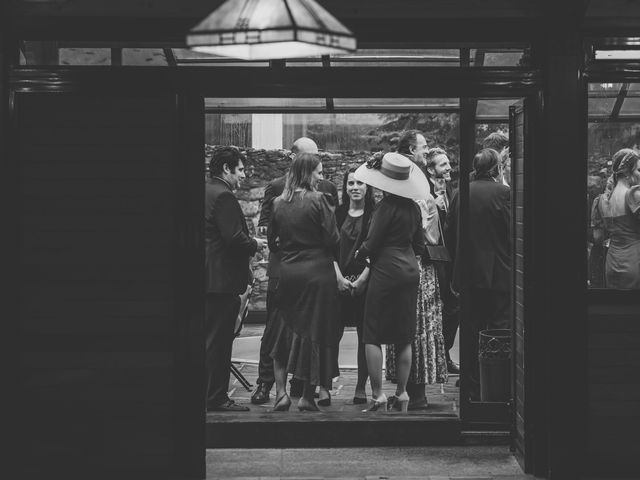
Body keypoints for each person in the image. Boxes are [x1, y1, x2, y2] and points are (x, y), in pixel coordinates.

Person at [252, 137, 338, 405]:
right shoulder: (319, 200)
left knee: (281, 330)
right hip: (316, 272)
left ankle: (280, 393)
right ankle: (308, 397)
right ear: (309, 172)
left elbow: (273, 239)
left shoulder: (279, 202)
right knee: (313, 332)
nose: (321, 177)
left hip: (288, 271)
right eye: (318, 172)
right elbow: (333, 238)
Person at [353, 152, 427, 412]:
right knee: (404, 335)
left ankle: (377, 395)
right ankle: (403, 393)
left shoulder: (385, 208)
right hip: (409, 271)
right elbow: (419, 245)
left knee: (372, 334)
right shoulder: (414, 207)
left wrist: (357, 254)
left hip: (386, 272)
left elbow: (371, 244)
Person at [386, 130, 448, 411]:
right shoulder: (417, 186)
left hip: (400, 263)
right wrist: (433, 209)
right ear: (412, 150)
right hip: (419, 265)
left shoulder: (396, 185)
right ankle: (416, 392)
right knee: (420, 325)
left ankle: (408, 389)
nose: (427, 150)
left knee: (408, 325)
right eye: (423, 147)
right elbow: (428, 235)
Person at [205, 146, 267, 412]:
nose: (242, 176)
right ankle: (217, 397)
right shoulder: (224, 196)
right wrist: (255, 243)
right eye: (239, 170)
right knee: (219, 343)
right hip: (221, 282)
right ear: (227, 169)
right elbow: (233, 238)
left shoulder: (205, 191)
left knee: (208, 340)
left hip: (206, 280)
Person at [449, 148, 511, 400]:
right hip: (498, 272)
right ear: (496, 168)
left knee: (471, 328)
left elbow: (450, 231)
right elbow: (511, 232)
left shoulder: (459, 192)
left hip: (468, 272)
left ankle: (471, 384)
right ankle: (497, 384)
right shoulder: (504, 193)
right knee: (499, 327)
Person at [334, 167, 376, 404]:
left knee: (365, 336)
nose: (355, 187)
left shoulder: (374, 213)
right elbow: (329, 247)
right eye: (351, 183)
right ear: (345, 187)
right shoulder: (338, 212)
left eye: (360, 183)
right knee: (331, 334)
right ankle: (324, 385)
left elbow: (377, 247)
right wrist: (338, 277)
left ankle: (361, 387)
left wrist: (363, 279)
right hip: (338, 280)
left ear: (367, 186)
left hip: (365, 281)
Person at [424, 147, 460, 375]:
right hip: (432, 259)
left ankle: (445, 352)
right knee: (437, 309)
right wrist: (434, 206)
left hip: (451, 257)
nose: (448, 168)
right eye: (442, 164)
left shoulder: (452, 190)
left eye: (448, 163)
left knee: (453, 308)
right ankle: (438, 358)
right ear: (431, 169)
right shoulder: (424, 191)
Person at [596, 149, 640, 289]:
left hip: (611, 263)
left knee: (615, 307)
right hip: (634, 261)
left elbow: (600, 235)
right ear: (627, 172)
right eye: (639, 170)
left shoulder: (603, 199)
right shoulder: (634, 195)